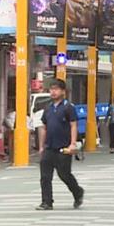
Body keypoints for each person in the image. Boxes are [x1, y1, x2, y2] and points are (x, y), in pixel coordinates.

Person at [37, 78, 84, 210]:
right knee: (45, 177)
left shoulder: (68, 108)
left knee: (64, 175)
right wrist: (41, 146)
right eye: (51, 89)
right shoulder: (48, 109)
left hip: (64, 147)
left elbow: (73, 126)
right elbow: (43, 128)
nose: (53, 92)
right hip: (49, 147)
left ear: (63, 91)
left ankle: (77, 192)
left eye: (56, 89)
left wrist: (72, 144)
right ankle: (47, 202)